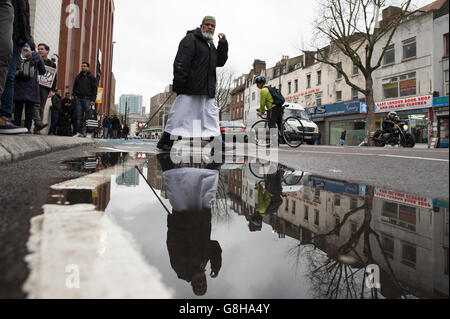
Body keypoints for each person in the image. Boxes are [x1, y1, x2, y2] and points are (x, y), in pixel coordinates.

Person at [157, 16, 228, 152]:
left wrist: (223, 44)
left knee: (210, 115)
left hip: (207, 88)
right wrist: (179, 85)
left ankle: (215, 142)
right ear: (201, 26)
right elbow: (180, 63)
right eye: (207, 25)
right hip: (190, 87)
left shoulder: (211, 45)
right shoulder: (190, 40)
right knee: (179, 114)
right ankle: (166, 140)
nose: (210, 27)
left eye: (213, 26)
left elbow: (219, 61)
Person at [158, 153, 222, 296]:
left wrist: (175, 222)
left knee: (177, 186)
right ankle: (218, 157)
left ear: (192, 284)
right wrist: (216, 265)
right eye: (203, 283)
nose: (200, 282)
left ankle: (164, 157)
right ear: (206, 281)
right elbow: (214, 246)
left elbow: (173, 242)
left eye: (197, 285)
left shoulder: (181, 268)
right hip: (201, 215)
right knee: (207, 186)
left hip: (185, 214)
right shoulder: (203, 264)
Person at [0, 0, 32, 134]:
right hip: (8, 32)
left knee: (9, 76)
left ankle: (4, 116)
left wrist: (27, 42)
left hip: (15, 36)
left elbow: (24, 17)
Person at [13, 43, 48, 133]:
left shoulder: (17, 53)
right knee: (29, 109)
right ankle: (27, 129)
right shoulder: (36, 55)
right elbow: (42, 71)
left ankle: (16, 127)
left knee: (18, 107)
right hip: (31, 86)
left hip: (18, 84)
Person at [256, 76, 283, 148]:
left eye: (257, 84)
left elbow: (262, 103)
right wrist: (261, 109)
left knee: (271, 125)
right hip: (279, 107)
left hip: (272, 108)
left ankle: (274, 143)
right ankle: (280, 138)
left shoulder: (263, 90)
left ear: (261, 83)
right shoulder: (270, 88)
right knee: (278, 123)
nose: (257, 85)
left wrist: (261, 111)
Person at [73, 62, 97, 137]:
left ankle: (88, 133)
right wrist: (75, 95)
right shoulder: (78, 77)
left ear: (88, 67)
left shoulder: (92, 77)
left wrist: (93, 99)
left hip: (88, 99)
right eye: (82, 66)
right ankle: (79, 132)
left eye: (84, 66)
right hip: (79, 99)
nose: (83, 67)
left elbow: (94, 89)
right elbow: (75, 87)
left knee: (88, 116)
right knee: (79, 116)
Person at [37, 43, 57, 127]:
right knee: (33, 106)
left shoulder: (52, 64)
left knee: (41, 107)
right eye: (38, 49)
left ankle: (37, 127)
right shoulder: (35, 60)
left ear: (47, 51)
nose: (39, 51)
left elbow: (54, 77)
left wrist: (52, 90)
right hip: (34, 86)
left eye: (42, 49)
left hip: (45, 88)